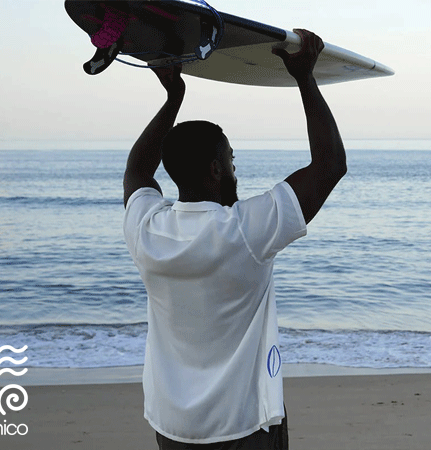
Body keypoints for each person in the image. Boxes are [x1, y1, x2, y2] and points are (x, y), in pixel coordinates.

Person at [122, 30, 346, 449]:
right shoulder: (245, 230)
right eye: (231, 160)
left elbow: (137, 170)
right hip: (243, 426)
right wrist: (304, 78)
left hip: (172, 427)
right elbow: (330, 164)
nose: (234, 171)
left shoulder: (146, 231)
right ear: (214, 170)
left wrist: (172, 99)